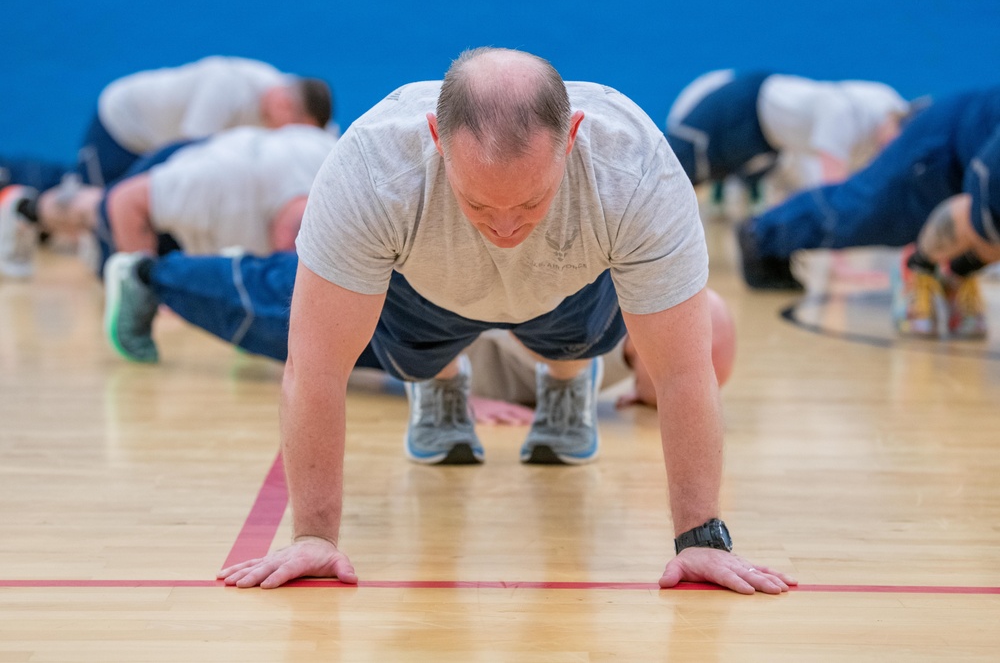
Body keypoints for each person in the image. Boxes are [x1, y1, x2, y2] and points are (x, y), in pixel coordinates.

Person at [171, 47, 792, 593]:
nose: (503, 227)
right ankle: (438, 384)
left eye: (529, 201)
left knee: (599, 331)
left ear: (573, 136)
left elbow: (684, 371)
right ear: (435, 139)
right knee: (371, 338)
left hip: (570, 294)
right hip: (421, 294)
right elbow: (315, 368)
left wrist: (701, 539)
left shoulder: (635, 170)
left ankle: (568, 380)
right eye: (477, 201)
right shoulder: (371, 167)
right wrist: (314, 536)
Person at [101, 250, 737, 416]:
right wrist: (467, 399)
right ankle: (147, 274)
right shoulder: (609, 310)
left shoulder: (626, 342)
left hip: (397, 343)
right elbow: (481, 328)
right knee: (262, 306)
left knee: (260, 307)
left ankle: (169, 275)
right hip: (392, 311)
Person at [0, 56, 333, 264]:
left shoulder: (291, 107)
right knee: (105, 206)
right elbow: (187, 152)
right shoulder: (226, 87)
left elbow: (325, 136)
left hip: (170, 146)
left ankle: (38, 211)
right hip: (123, 129)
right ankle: (22, 207)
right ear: (286, 107)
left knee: (112, 209)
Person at [737, 85, 1000, 339]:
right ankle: (760, 235)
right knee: (860, 211)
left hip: (972, 141)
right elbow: (979, 199)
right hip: (943, 139)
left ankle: (952, 270)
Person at [0, 124, 338, 280]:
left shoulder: (341, 183)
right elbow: (125, 201)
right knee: (100, 209)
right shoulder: (213, 185)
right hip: (176, 169)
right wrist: (142, 288)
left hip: (233, 185)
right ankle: (25, 208)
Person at [666, 70, 910, 215]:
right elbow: (835, 200)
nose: (891, 151)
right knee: (674, 174)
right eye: (895, 141)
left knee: (726, 184)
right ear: (891, 121)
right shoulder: (841, 115)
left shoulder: (882, 111)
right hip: (741, 108)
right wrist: (841, 266)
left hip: (767, 141)